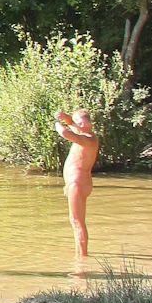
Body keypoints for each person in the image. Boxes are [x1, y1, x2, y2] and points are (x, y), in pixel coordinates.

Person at [54, 109, 99, 260]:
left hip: (78, 182)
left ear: (82, 124)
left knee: (76, 221)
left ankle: (82, 258)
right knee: (76, 220)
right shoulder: (86, 135)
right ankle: (81, 253)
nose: (73, 124)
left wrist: (57, 125)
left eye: (75, 122)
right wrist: (66, 118)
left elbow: (66, 133)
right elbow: (73, 126)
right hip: (77, 182)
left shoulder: (88, 140)